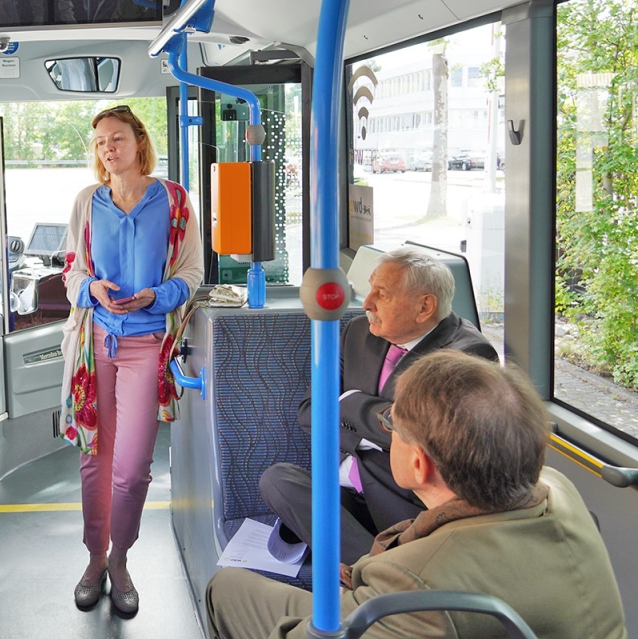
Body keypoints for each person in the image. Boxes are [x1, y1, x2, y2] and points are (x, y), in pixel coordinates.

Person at [206, 351, 626, 639]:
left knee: (227, 587)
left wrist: (369, 583)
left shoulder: (411, 584)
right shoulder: (558, 488)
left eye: (392, 424)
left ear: (420, 463)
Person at [260, 248, 498, 565]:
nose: (367, 302)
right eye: (370, 288)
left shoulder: (467, 356)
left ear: (424, 306)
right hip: (345, 484)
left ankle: (369, 569)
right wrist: (379, 423)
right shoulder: (357, 332)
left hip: (406, 499)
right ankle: (377, 562)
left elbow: (424, 442)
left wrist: (350, 405)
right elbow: (310, 413)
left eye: (381, 294)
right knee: (277, 479)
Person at [59, 104, 203, 616]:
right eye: (99, 142)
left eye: (116, 139)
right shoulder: (87, 202)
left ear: (139, 142)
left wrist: (157, 297)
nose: (107, 149)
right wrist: (91, 287)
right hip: (96, 340)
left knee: (133, 465)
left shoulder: (175, 200)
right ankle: (94, 558)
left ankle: (121, 559)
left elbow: (191, 272)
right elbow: (72, 274)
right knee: (93, 458)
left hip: (146, 345)